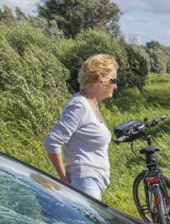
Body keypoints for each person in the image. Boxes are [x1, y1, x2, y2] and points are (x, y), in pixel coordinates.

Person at [44, 54, 118, 200]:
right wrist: (64, 179)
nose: (115, 86)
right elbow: (52, 142)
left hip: (92, 182)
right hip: (85, 183)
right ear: (100, 80)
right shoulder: (80, 105)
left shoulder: (91, 104)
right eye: (113, 80)